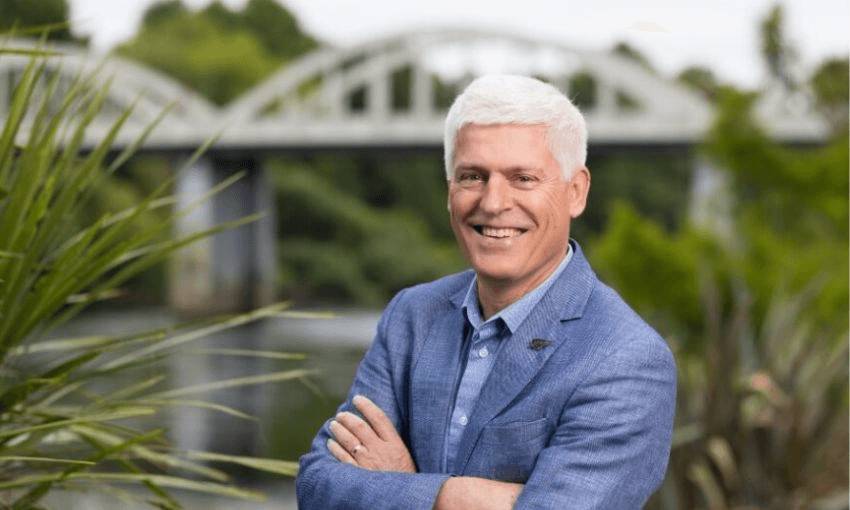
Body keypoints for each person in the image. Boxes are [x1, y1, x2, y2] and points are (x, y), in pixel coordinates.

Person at [295, 74, 677, 509]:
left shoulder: (626, 358)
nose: (493, 203)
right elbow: (317, 485)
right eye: (473, 176)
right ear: (449, 190)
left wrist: (405, 487)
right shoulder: (412, 316)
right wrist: (460, 497)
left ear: (576, 191)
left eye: (523, 178)